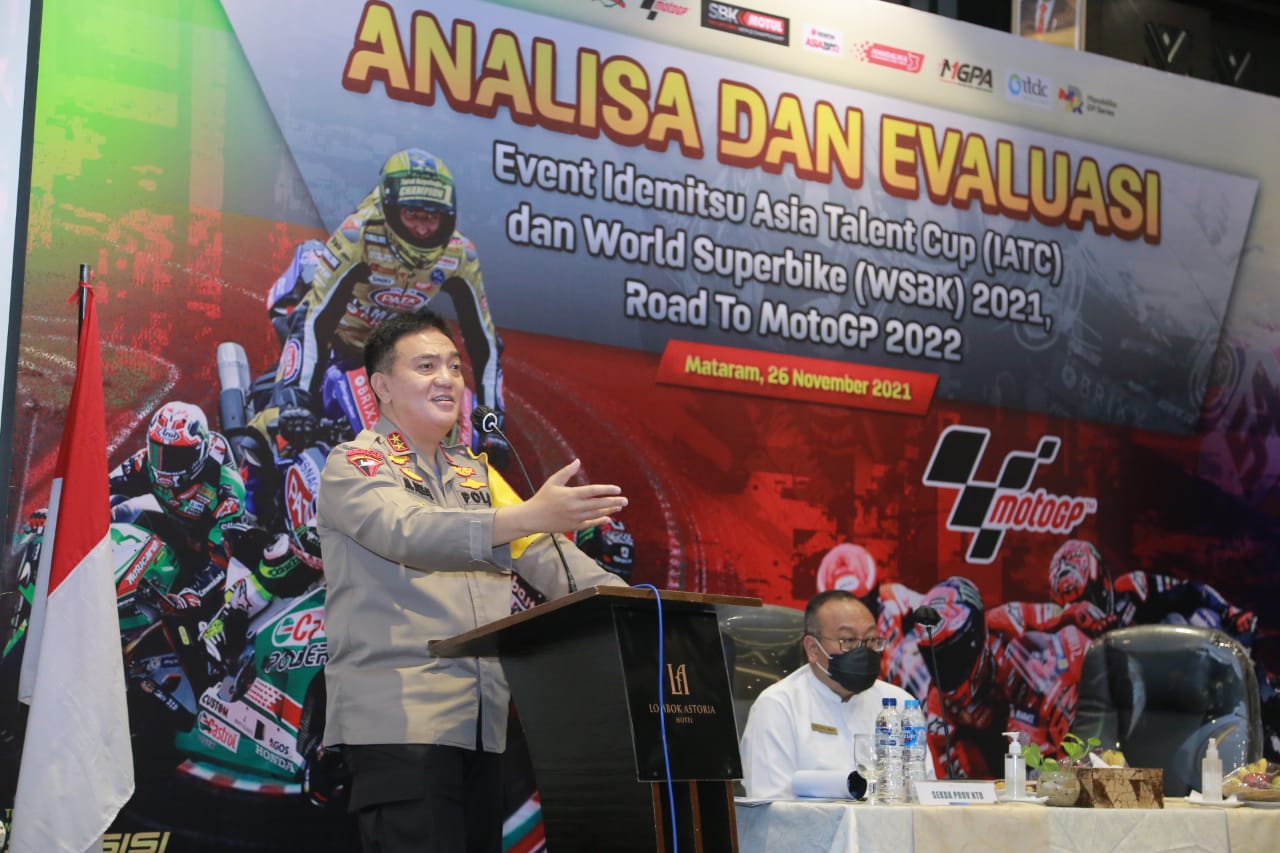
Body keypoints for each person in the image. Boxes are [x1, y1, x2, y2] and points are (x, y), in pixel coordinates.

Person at [317, 307, 629, 853]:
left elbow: (547, 556)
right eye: (426, 366)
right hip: (400, 724)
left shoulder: (474, 474)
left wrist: (642, 608)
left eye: (455, 367)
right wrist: (528, 515)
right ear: (382, 386)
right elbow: (409, 532)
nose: (447, 378)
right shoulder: (355, 463)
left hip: (482, 726)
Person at [253, 147, 508, 465]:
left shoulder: (460, 254)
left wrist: (492, 423)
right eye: (413, 215)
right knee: (281, 423)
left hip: (391, 354)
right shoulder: (357, 236)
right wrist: (298, 397)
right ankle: (249, 476)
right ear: (390, 207)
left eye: (431, 218)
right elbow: (316, 320)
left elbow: (484, 340)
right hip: (334, 341)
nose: (422, 229)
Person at [738, 589, 935, 799]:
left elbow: (924, 794)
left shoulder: (900, 703)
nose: (863, 651)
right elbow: (770, 804)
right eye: (848, 640)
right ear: (813, 649)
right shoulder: (778, 706)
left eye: (870, 639)